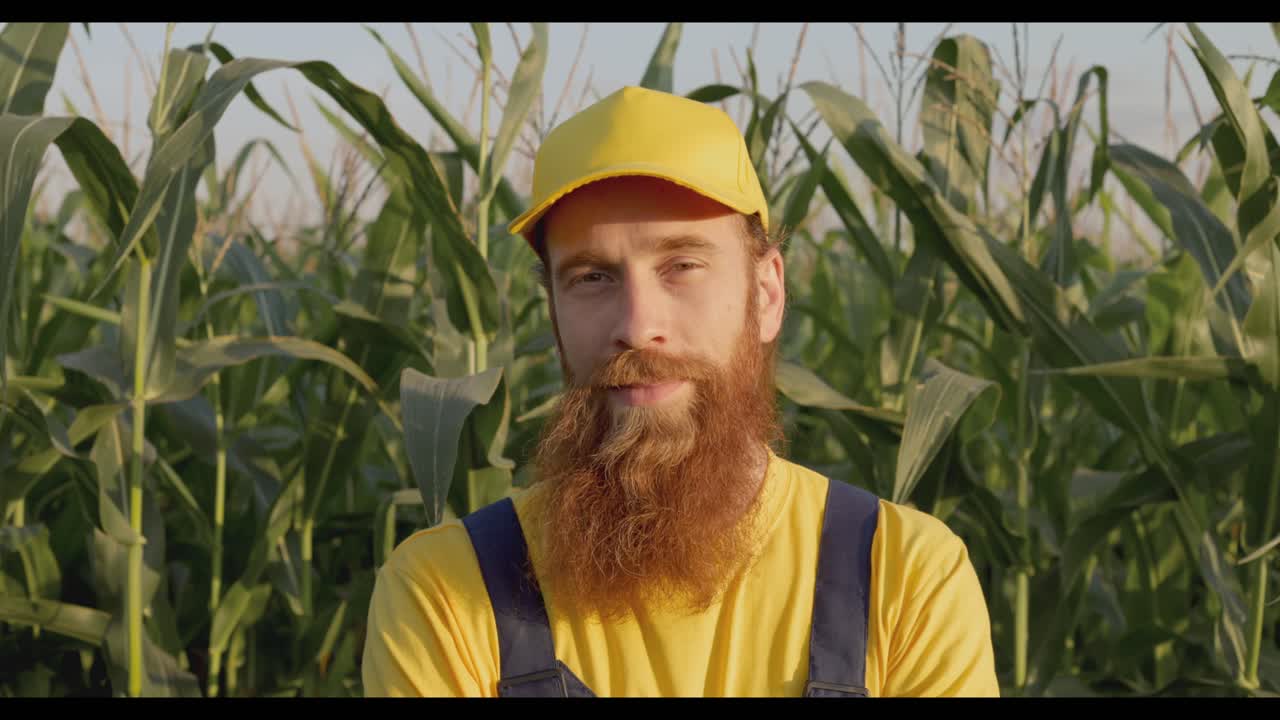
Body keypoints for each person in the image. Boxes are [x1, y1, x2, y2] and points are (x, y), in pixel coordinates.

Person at [361, 85, 999, 698]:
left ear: (767, 293)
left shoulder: (905, 579)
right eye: (591, 277)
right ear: (553, 311)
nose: (638, 326)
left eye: (682, 266)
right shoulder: (446, 592)